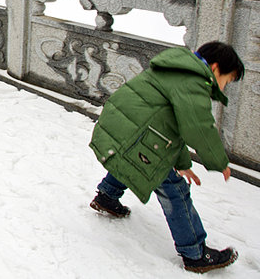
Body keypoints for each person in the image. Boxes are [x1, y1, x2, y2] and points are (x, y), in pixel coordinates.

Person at [89, 42, 245, 273]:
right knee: (174, 190)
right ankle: (195, 253)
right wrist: (218, 160)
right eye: (227, 80)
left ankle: (107, 196)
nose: (224, 87)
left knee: (131, 159)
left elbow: (171, 127)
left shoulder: (176, 69)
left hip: (123, 126)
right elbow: (198, 127)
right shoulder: (193, 83)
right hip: (137, 133)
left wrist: (181, 163)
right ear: (215, 68)